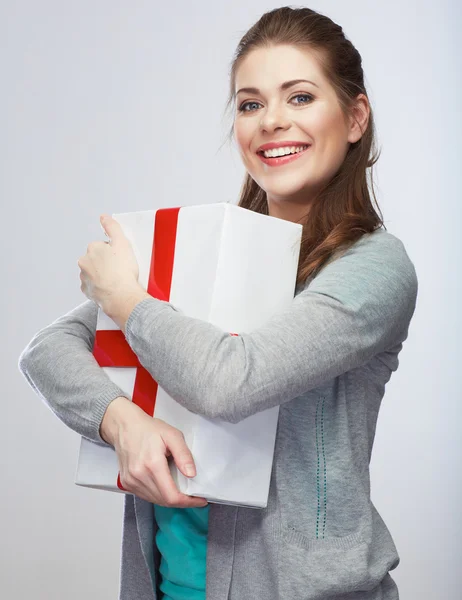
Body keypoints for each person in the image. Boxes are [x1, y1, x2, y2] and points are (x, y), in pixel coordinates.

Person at [18, 6, 418, 600]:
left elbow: (232, 381)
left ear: (355, 116)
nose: (271, 122)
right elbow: (48, 348)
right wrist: (119, 419)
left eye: (300, 97)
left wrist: (125, 297)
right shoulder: (207, 249)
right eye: (251, 104)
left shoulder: (373, 267)